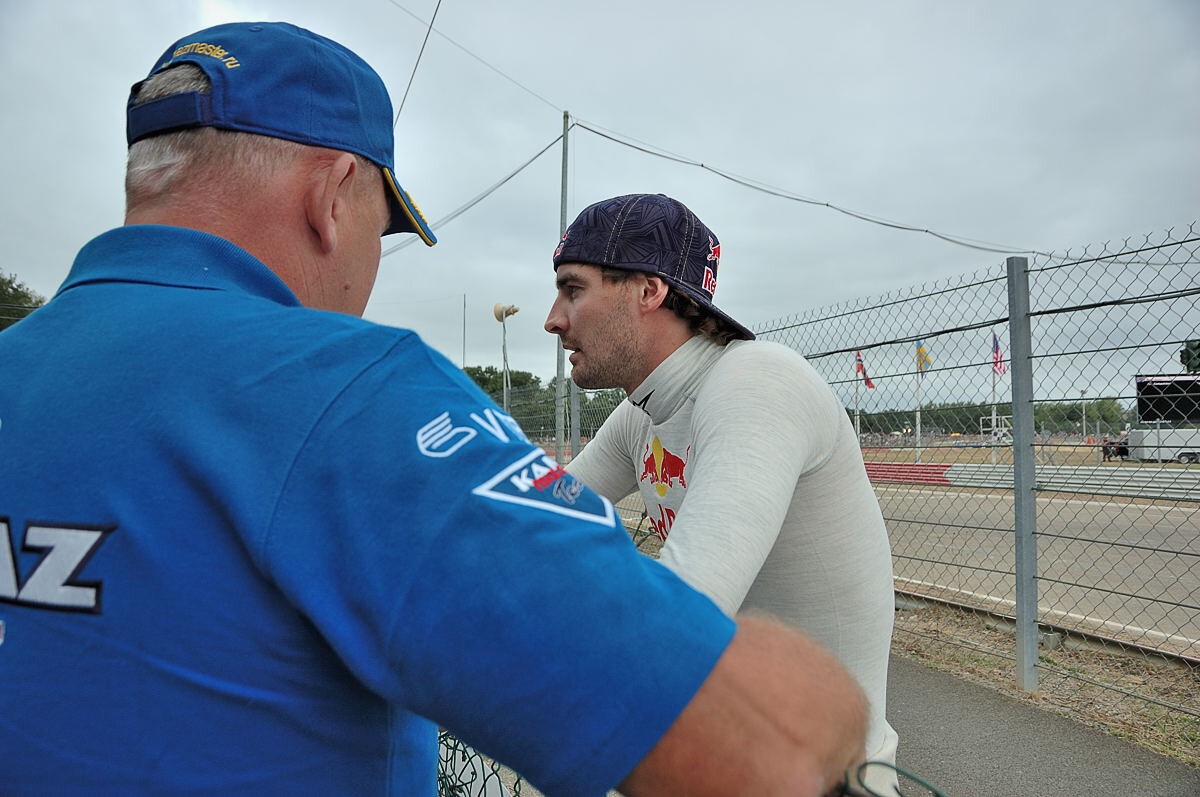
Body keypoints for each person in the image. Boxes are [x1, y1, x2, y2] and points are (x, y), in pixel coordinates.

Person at [0, 22, 868, 797]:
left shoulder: (21, 366)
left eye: (571, 289)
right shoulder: (346, 391)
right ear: (330, 192)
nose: (552, 317)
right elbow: (762, 742)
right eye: (384, 229)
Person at [545, 192, 901, 794]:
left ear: (648, 291)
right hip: (722, 762)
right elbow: (538, 521)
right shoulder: (643, 411)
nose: (553, 318)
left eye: (572, 289)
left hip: (823, 782)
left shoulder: (758, 380)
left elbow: (682, 618)